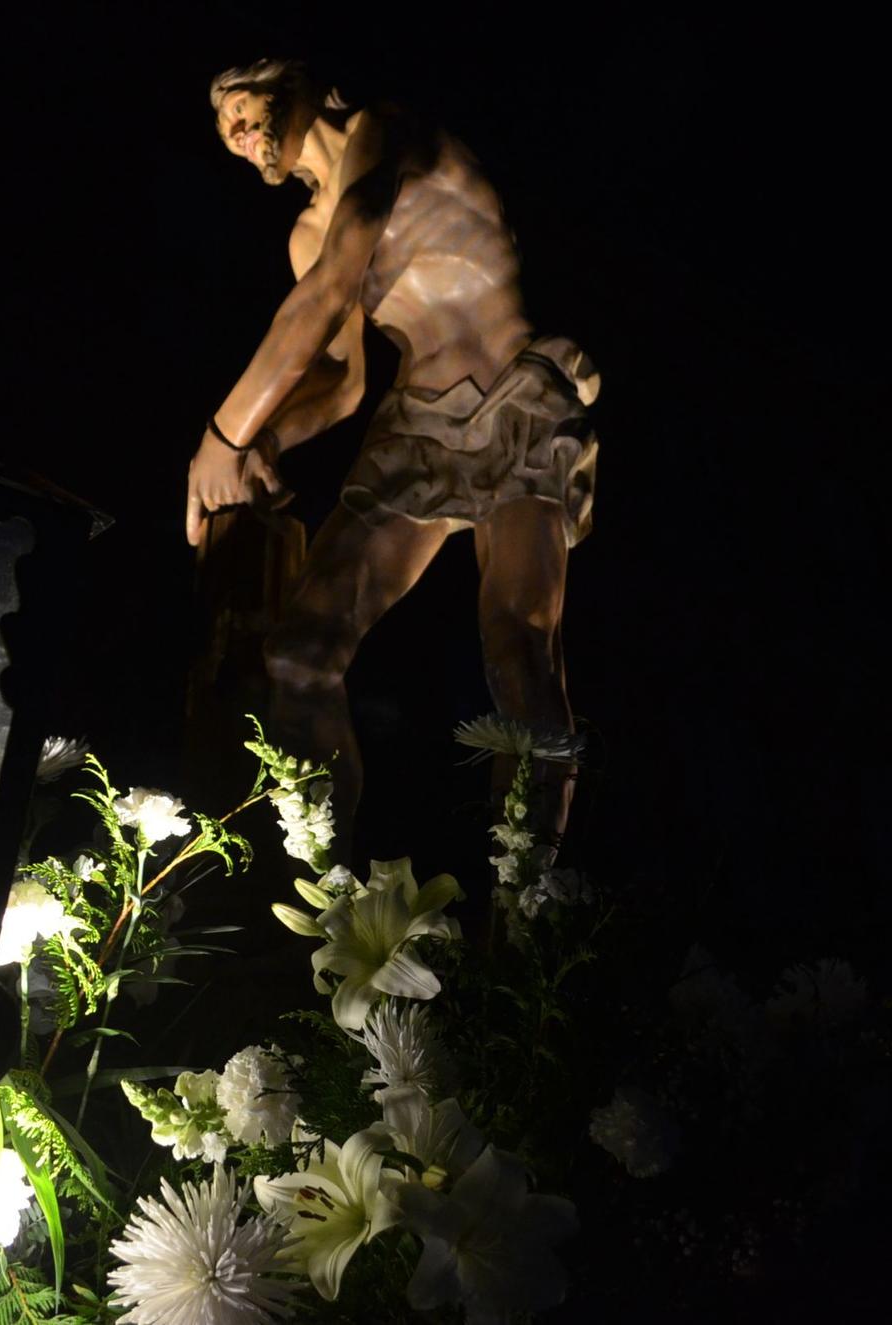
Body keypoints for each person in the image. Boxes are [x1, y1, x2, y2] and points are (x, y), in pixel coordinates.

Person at [188, 58, 599, 850]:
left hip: (514, 394)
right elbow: (343, 380)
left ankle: (529, 916)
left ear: (288, 78)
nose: (235, 132)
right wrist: (267, 438)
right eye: (223, 128)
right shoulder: (303, 232)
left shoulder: (383, 131)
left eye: (241, 104)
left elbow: (337, 285)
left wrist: (226, 433)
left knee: (518, 641)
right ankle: (326, 903)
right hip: (418, 431)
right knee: (300, 650)